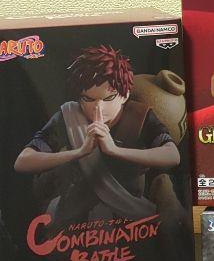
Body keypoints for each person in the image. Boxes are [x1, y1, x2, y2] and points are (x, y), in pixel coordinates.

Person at [14, 45, 181, 231]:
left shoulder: (140, 115)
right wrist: (79, 152)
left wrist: (115, 150)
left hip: (131, 215)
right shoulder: (68, 115)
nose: (98, 108)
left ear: (124, 95)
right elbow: (23, 161)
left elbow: (172, 155)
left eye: (108, 99)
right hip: (74, 217)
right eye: (88, 99)